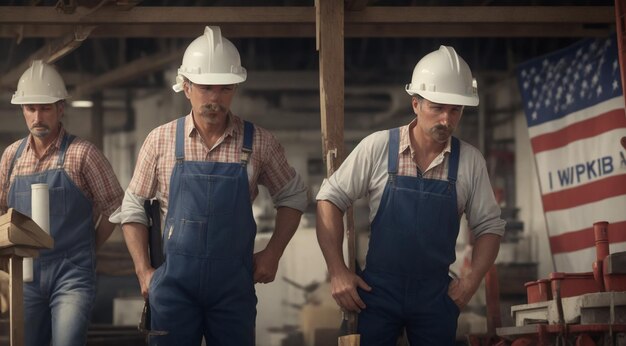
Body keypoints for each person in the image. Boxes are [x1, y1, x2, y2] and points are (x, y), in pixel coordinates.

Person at [110, 26, 307, 345]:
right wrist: (143, 270)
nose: (215, 98)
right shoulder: (160, 141)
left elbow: (294, 196)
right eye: (205, 88)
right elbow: (132, 208)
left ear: (235, 89)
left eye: (224, 89)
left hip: (233, 291)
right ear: (186, 86)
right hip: (173, 288)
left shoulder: (259, 143)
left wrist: (273, 253)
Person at [316, 46, 506, 345]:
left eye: (455, 110)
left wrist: (471, 281)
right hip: (376, 293)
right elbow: (330, 199)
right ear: (415, 103)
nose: (446, 119)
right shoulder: (378, 148)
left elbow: (490, 227)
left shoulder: (469, 161)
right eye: (437, 107)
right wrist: (338, 270)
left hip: (435, 297)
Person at [0, 60, 124, 346]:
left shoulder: (83, 154)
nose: (37, 116)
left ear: (60, 108)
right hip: (26, 276)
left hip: (72, 274)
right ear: (22, 110)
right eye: (31, 108)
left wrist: (91, 245)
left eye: (45, 108)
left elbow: (116, 207)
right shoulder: (11, 157)